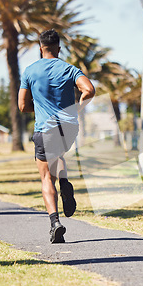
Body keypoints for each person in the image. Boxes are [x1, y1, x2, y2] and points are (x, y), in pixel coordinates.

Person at [18, 29, 95, 243]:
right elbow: (89, 89)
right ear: (59, 48)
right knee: (57, 155)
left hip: (45, 128)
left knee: (45, 176)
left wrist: (41, 107)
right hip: (69, 128)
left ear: (40, 48)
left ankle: (55, 223)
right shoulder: (69, 69)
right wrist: (77, 108)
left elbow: (23, 106)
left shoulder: (30, 71)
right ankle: (65, 183)